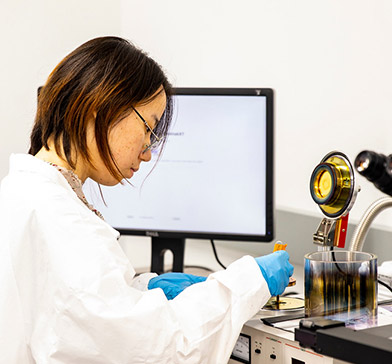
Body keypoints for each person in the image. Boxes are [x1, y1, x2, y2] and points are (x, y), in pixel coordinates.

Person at [0, 36, 294, 364]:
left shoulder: (25, 192)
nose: (149, 152)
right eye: (149, 129)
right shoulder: (62, 222)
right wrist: (249, 280)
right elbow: (159, 349)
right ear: (101, 107)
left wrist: (143, 289)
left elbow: (80, 314)